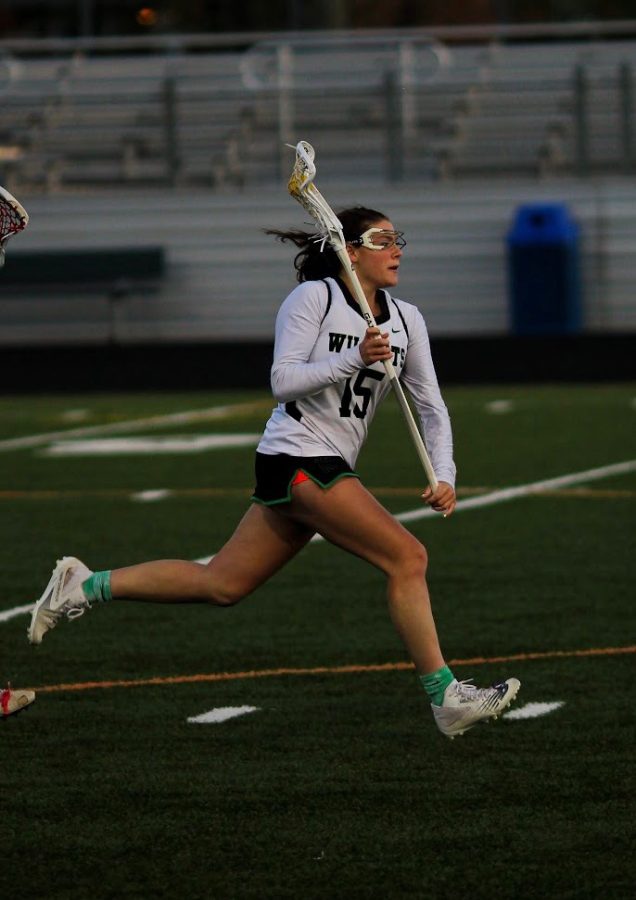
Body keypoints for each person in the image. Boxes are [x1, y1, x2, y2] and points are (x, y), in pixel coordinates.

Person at [26, 206, 519, 738]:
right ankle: (445, 697)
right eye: (382, 240)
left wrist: (444, 472)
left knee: (222, 584)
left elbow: (431, 406)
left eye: (398, 238)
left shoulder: (406, 319)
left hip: (326, 463)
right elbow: (283, 381)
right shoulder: (315, 298)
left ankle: (84, 585)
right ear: (349, 250)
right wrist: (355, 358)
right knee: (408, 556)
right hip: (296, 456)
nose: (396, 248)